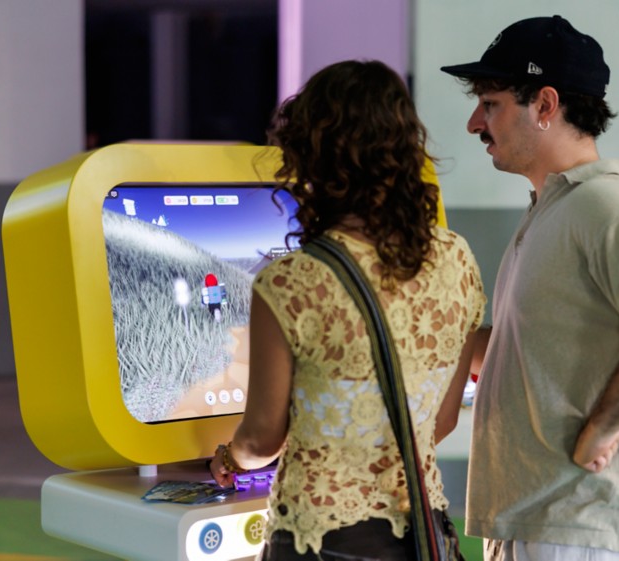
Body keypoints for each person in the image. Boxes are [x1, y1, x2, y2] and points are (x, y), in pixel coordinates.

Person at [440, 15, 619, 561]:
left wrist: (602, 427)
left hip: (581, 524)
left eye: (490, 102)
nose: (475, 122)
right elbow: (537, 350)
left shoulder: (602, 203)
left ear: (545, 105)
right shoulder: (554, 207)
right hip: (542, 518)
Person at [208, 59, 487, 560]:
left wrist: (230, 456)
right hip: (421, 531)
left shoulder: (293, 282)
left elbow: (263, 438)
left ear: (314, 159)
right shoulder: (457, 261)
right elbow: (441, 420)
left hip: (324, 539)